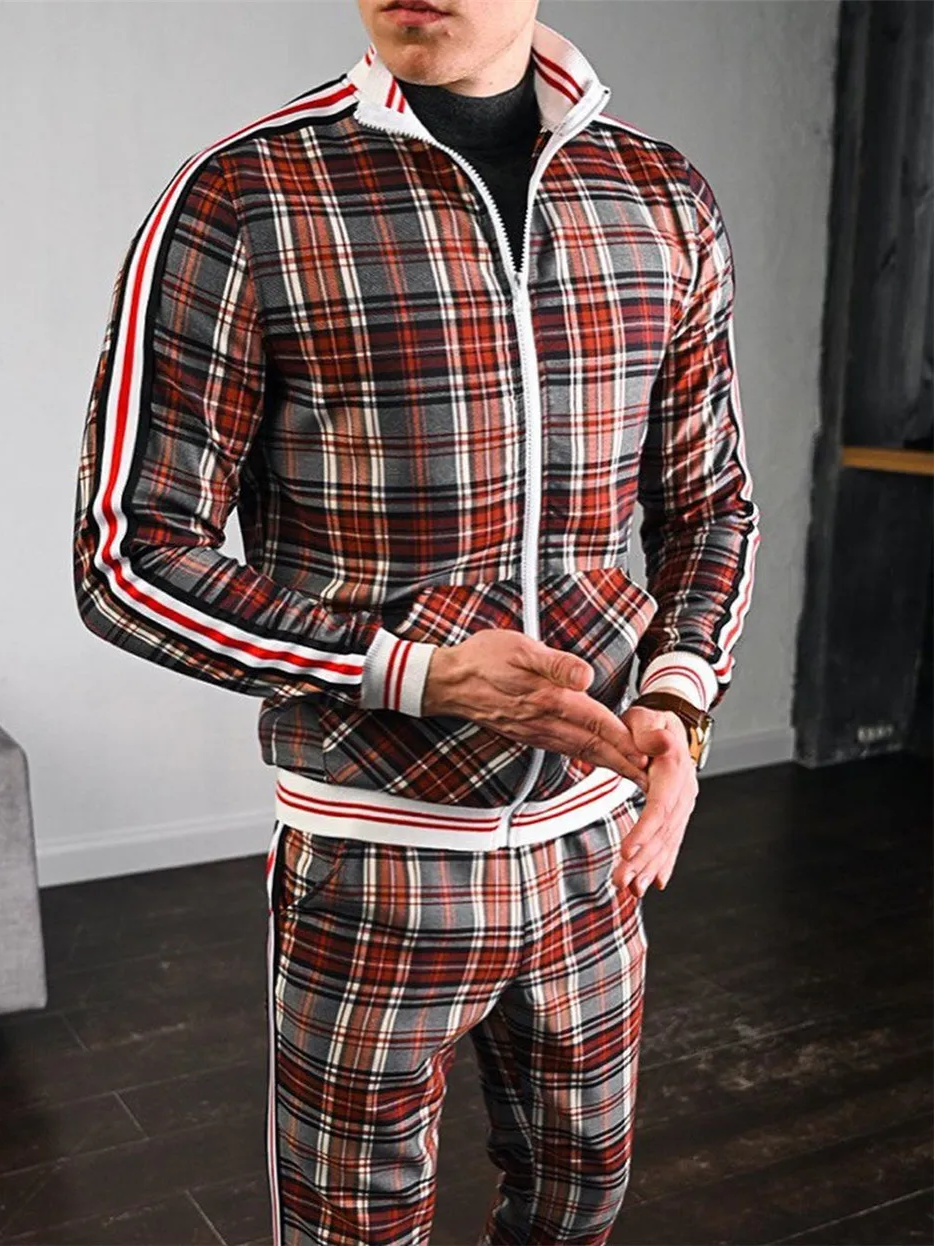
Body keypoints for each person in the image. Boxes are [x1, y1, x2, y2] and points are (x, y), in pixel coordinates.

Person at [72, 0, 761, 1241]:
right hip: (369, 863)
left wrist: (678, 696)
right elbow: (128, 555)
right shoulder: (245, 198)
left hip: (593, 853)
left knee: (580, 1204)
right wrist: (412, 673)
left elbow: (709, 504)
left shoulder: (661, 198)